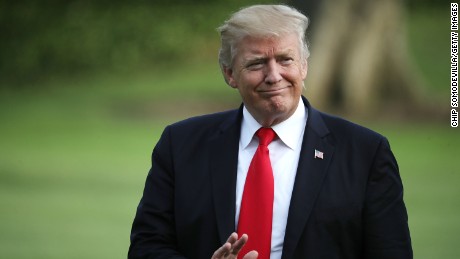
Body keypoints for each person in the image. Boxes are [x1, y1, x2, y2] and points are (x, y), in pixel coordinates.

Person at [128, 4, 412, 259]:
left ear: (304, 66)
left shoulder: (365, 152)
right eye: (257, 63)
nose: (274, 75)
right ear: (229, 74)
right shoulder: (180, 145)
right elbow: (147, 247)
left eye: (285, 60)